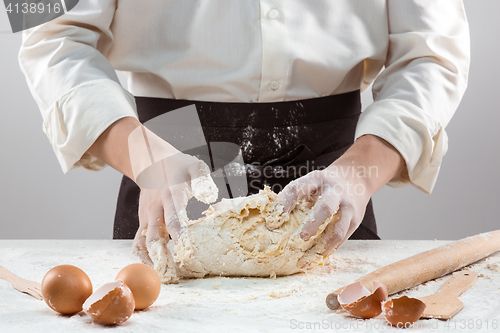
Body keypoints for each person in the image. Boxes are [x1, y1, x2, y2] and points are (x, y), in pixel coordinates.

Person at [19, 1, 470, 265]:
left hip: (332, 177)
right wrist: (142, 155)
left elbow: (434, 52)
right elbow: (47, 37)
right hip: (170, 160)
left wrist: (359, 172)